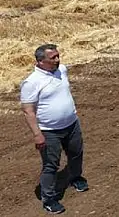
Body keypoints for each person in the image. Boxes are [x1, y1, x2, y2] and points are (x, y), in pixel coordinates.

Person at [20, 44, 88, 215]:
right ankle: (49, 199)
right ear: (40, 61)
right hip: (49, 131)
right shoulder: (31, 82)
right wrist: (37, 134)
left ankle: (76, 177)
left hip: (72, 124)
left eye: (58, 56)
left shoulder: (61, 70)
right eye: (53, 58)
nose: (58, 60)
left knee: (76, 153)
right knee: (51, 164)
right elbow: (28, 111)